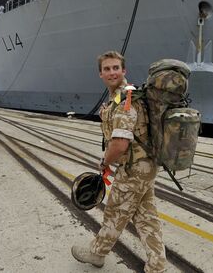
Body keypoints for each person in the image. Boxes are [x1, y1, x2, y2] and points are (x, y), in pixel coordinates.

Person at [71, 51, 166, 272]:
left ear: (124, 70)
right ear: (100, 74)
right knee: (146, 217)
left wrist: (105, 162)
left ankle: (97, 254)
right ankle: (157, 264)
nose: (112, 72)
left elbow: (120, 143)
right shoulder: (119, 97)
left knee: (114, 212)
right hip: (145, 166)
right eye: (107, 69)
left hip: (135, 169)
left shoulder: (126, 99)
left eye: (116, 68)